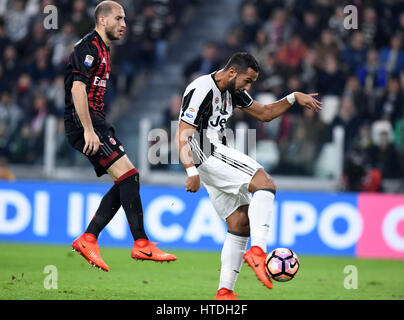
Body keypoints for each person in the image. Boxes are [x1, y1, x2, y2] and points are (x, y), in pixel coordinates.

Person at [175, 52, 322, 300]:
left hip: (213, 154)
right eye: (248, 81)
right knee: (265, 183)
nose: (248, 87)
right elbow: (183, 132)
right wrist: (190, 171)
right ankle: (257, 250)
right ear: (232, 72)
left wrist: (293, 98)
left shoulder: (233, 90)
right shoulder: (202, 87)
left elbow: (264, 113)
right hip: (203, 149)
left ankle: (225, 292)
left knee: (240, 223)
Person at [64, 1, 176, 272]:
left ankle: (89, 238)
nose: (124, 24)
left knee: (128, 178)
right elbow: (77, 89)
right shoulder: (88, 47)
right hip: (87, 125)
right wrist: (89, 130)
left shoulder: (104, 48)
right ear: (102, 20)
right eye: (119, 18)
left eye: (124, 19)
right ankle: (139, 243)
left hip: (97, 123)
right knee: (128, 176)